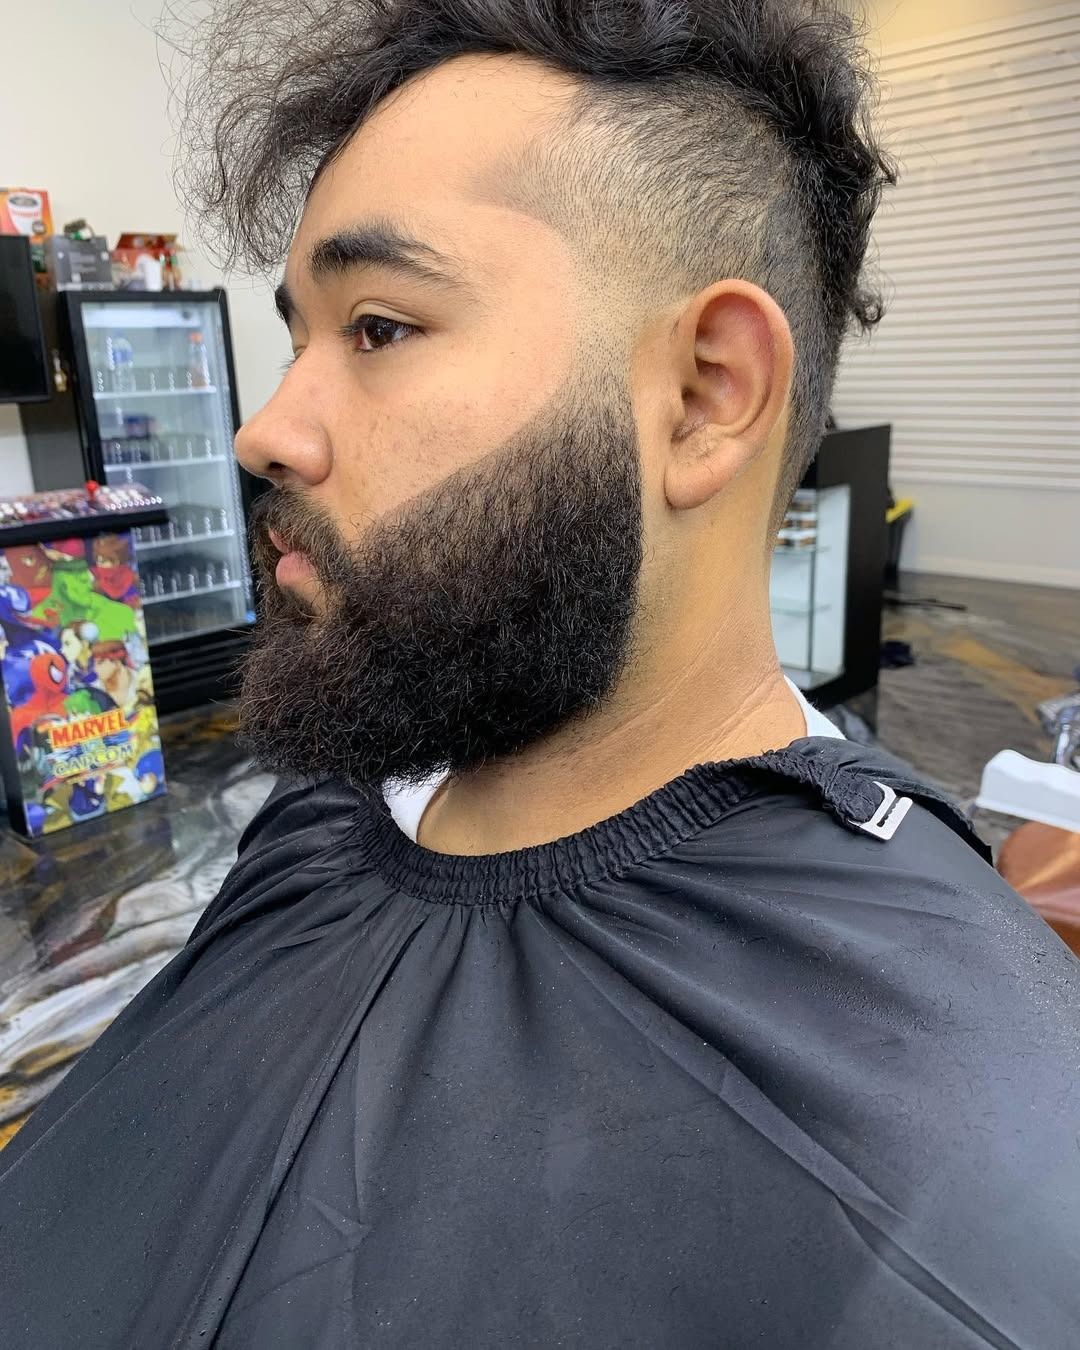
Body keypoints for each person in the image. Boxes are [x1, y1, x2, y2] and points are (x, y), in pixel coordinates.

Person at [1, 3, 1079, 1347]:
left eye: (381, 327)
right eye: (300, 337)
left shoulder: (971, 1112)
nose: (264, 431)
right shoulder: (321, 825)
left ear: (703, 395)